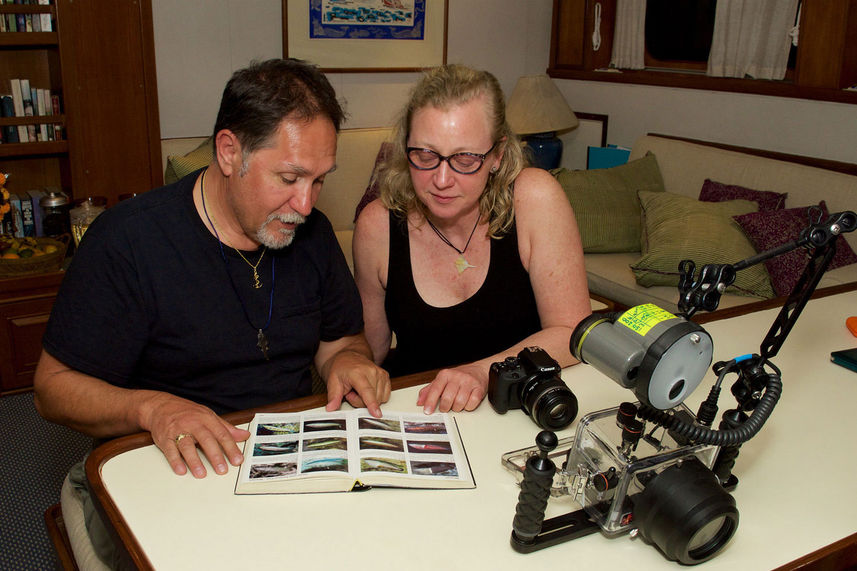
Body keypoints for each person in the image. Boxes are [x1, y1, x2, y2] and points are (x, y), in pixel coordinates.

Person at [34, 58, 390, 481]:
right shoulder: (129, 240)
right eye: (289, 178)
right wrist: (152, 408)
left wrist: (347, 362)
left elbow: (342, 342)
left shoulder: (313, 233)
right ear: (228, 152)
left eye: (319, 180)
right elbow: (52, 388)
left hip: (289, 453)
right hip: (172, 461)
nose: (305, 204)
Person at [353, 64, 591, 415]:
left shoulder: (534, 198)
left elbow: (572, 333)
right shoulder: (377, 224)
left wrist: (484, 371)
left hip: (516, 408)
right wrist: (346, 363)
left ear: (497, 155)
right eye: (425, 155)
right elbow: (368, 350)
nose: (442, 179)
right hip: (422, 412)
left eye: (465, 158)